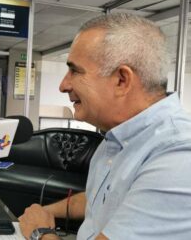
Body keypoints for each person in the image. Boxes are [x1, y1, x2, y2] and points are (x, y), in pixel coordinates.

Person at [18, 13, 191, 240]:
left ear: (121, 80)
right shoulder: (117, 138)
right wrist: (45, 212)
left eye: (75, 71)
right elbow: (101, 198)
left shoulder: (178, 156)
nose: (63, 85)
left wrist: (39, 232)